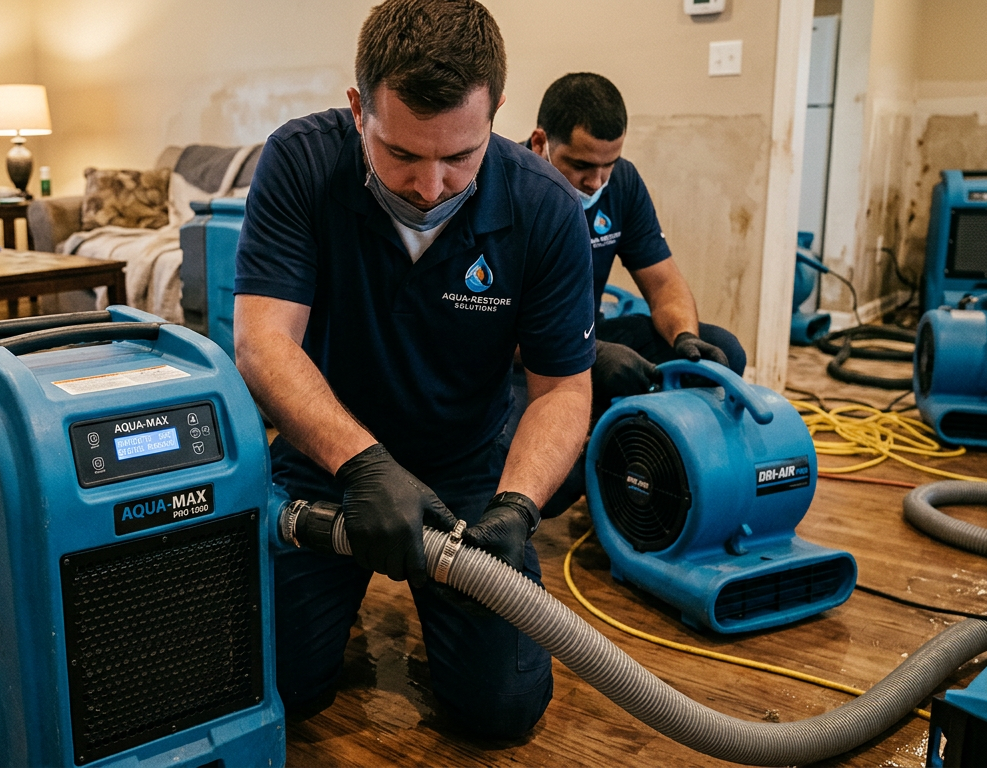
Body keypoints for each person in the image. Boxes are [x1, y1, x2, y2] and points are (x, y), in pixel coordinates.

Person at [233, 0, 594, 739]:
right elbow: (264, 342)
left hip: (468, 474)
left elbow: (563, 388)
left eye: (460, 156)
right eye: (401, 154)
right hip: (328, 464)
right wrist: (363, 465)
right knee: (273, 687)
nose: (431, 187)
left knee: (501, 712)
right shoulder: (301, 163)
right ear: (358, 108)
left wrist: (518, 506)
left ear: (495, 113)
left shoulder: (546, 208)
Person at [528, 72, 746, 405]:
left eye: (608, 165)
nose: (596, 181)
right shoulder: (508, 185)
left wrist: (684, 335)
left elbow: (662, 284)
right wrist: (584, 356)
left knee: (722, 353)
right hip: (521, 352)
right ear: (540, 143)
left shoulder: (623, 182)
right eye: (581, 165)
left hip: (589, 334)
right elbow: (478, 328)